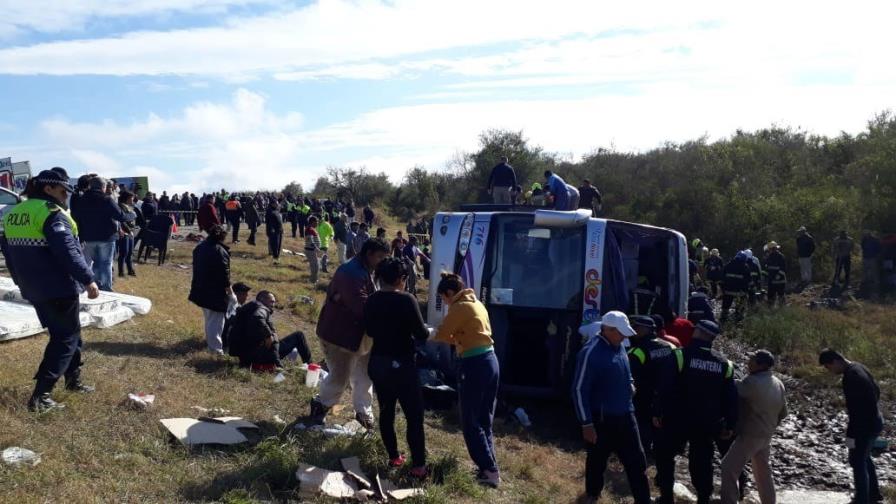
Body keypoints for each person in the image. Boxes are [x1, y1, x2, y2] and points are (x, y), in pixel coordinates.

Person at [0, 170, 101, 412]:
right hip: (57, 286)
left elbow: (8, 252)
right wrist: (88, 279)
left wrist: (19, 281)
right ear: (48, 189)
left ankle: (73, 380)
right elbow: (68, 251)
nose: (67, 196)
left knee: (70, 331)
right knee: (64, 338)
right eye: (63, 190)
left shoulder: (14, 213)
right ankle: (40, 396)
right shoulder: (51, 213)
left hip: (33, 287)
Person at [309, 238, 390, 429]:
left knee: (364, 374)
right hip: (340, 335)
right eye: (379, 257)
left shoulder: (369, 270)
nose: (382, 261)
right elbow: (361, 307)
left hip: (361, 335)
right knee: (340, 376)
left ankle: (363, 411)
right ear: (369, 253)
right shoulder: (351, 273)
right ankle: (321, 404)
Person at [655, 321, 737, 504]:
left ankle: (667, 497)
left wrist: (658, 412)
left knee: (665, 456)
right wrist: (730, 424)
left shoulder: (680, 355)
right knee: (702, 462)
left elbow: (665, 387)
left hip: (677, 419)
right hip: (707, 423)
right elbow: (730, 397)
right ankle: (703, 498)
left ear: (699, 333)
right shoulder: (725, 363)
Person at [572, 311, 650, 504]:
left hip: (626, 414)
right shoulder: (591, 352)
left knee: (637, 461)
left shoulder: (620, 346)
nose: (624, 337)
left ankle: (643, 499)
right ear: (607, 330)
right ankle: (592, 494)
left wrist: (630, 384)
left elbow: (626, 370)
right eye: (620, 332)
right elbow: (579, 389)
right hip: (602, 418)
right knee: (597, 460)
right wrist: (586, 423)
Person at [433, 273, 501, 488]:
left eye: (443, 298)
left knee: (470, 420)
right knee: (484, 418)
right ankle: (489, 466)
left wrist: (426, 333)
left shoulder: (459, 307)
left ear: (450, 293)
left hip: (474, 365)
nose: (444, 302)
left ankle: (489, 470)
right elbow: (463, 333)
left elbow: (442, 334)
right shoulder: (476, 303)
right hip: (490, 360)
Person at [363, 258, 429, 478]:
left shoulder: (371, 300)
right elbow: (421, 334)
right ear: (401, 279)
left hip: (379, 362)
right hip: (402, 364)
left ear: (379, 278)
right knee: (414, 416)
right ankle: (418, 465)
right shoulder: (407, 300)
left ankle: (394, 457)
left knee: (386, 411)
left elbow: (370, 332)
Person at [720, 350, 787, 504]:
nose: (748, 362)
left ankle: (729, 501)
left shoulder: (752, 382)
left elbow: (735, 387)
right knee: (763, 472)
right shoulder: (778, 383)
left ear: (761, 365)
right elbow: (783, 413)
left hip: (751, 435)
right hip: (767, 434)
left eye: (752, 359)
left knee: (728, 468)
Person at [819, 350, 884, 504]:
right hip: (875, 421)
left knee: (857, 460)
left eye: (828, 367)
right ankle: (873, 494)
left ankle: (862, 500)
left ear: (835, 361)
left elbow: (857, 410)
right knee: (864, 457)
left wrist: (851, 436)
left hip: (863, 426)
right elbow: (877, 391)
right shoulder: (859, 367)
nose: (830, 371)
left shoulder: (851, 377)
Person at [628, 315, 682, 456]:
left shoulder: (638, 351)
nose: (633, 331)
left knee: (643, 428)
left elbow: (629, 376)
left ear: (644, 330)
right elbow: (680, 369)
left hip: (645, 398)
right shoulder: (671, 346)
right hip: (670, 396)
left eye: (636, 327)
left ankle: (643, 455)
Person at [70, 177, 135, 291]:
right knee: (105, 263)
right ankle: (105, 288)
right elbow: (120, 216)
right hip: (107, 237)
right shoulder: (106, 199)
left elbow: (75, 216)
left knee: (92, 263)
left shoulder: (82, 199)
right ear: (103, 187)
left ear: (90, 186)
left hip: (88, 237)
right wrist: (132, 215)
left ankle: (94, 286)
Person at [230, 291, 312, 370]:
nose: (273, 305)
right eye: (271, 302)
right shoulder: (261, 309)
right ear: (262, 299)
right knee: (299, 335)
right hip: (259, 356)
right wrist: (268, 335)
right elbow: (258, 318)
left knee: (279, 341)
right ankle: (311, 366)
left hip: (245, 357)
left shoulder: (249, 308)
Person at [188, 224, 232, 355]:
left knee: (209, 318)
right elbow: (224, 274)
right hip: (214, 291)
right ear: (222, 237)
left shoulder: (200, 247)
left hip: (200, 287)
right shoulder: (219, 251)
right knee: (217, 322)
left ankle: (211, 344)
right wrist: (230, 291)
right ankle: (216, 350)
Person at [720, 251, 751, 324]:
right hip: (740, 292)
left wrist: (723, 289)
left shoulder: (728, 265)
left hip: (728, 291)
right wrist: (747, 290)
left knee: (725, 307)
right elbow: (748, 280)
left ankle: (723, 319)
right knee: (740, 307)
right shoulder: (745, 267)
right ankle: (738, 318)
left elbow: (722, 278)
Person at [116, 190, 138, 278]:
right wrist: (129, 231)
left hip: (131, 231)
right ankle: (121, 272)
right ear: (127, 198)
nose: (133, 200)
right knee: (123, 252)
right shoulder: (120, 206)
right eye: (131, 198)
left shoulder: (129, 206)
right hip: (125, 232)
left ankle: (130, 270)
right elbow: (122, 221)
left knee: (130, 252)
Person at [764, 241, 787, 306]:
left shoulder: (781, 256)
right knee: (770, 297)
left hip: (780, 281)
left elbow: (783, 268)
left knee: (781, 296)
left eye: (770, 249)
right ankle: (770, 311)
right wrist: (766, 277)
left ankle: (782, 310)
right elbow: (766, 268)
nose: (769, 251)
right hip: (771, 281)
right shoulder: (769, 257)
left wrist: (778, 276)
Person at [861, 231, 882, 299]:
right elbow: (862, 247)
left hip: (873, 258)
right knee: (865, 270)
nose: (867, 235)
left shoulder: (875, 240)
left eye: (868, 234)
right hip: (866, 257)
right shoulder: (864, 240)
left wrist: (877, 256)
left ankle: (876, 284)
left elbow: (879, 249)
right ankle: (865, 283)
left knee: (874, 271)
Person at [305, 216, 321, 284]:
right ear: (312, 222)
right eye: (316, 222)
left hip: (312, 250)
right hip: (310, 250)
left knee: (316, 265)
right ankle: (312, 281)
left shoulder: (312, 229)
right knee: (315, 266)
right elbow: (310, 241)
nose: (317, 223)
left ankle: (314, 280)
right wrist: (316, 248)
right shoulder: (309, 229)